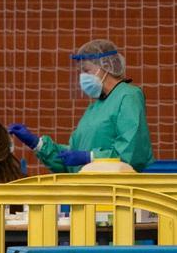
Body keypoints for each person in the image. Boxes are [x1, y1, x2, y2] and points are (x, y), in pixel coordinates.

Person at [8, 39, 154, 172]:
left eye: (86, 70)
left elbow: (132, 154)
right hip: (88, 193)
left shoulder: (128, 96)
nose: (82, 77)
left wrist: (90, 157)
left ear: (106, 66)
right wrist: (37, 143)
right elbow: (71, 159)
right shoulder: (95, 107)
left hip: (114, 194)